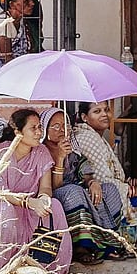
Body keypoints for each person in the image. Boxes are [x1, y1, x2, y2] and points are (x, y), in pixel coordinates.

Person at [0, 109, 72, 274]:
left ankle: (47, 271)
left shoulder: (41, 152)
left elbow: (45, 187)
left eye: (40, 127)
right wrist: (28, 202)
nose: (39, 132)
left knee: (54, 205)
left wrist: (44, 199)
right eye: (34, 128)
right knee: (6, 210)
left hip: (29, 208)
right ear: (18, 132)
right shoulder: (1, 153)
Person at [42, 108, 126, 264]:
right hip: (58, 196)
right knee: (74, 192)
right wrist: (60, 158)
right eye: (56, 126)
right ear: (45, 128)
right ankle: (82, 247)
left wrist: (92, 183)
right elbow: (55, 187)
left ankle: (109, 242)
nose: (62, 130)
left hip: (79, 192)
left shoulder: (72, 151)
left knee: (109, 189)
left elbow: (85, 173)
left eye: (65, 125)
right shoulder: (41, 152)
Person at [74, 101, 137, 209]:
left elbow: (109, 171)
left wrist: (131, 182)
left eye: (107, 110)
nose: (104, 114)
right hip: (97, 201)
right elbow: (101, 180)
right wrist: (133, 190)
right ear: (84, 117)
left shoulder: (95, 135)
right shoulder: (88, 138)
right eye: (97, 111)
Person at [0, 0, 39, 72]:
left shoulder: (21, 22)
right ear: (12, 4)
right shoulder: (4, 24)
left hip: (18, 70)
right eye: (26, 1)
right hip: (4, 74)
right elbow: (7, 61)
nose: (32, 3)